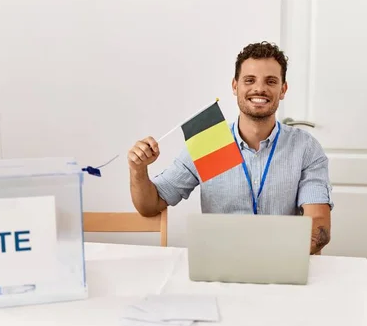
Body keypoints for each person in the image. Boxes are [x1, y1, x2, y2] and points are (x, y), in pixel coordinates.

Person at [127, 41, 333, 254]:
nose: (259, 88)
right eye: (249, 80)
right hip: (220, 266)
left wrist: (276, 255)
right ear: (235, 86)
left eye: (270, 81)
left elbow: (318, 222)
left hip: (284, 262)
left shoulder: (305, 148)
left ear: (283, 89)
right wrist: (138, 170)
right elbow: (151, 205)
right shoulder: (210, 143)